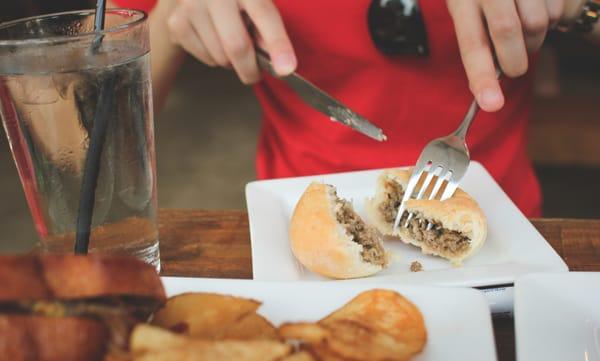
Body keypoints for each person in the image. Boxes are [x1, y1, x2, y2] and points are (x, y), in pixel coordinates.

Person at [109, 0, 598, 217]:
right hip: (302, 225)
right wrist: (172, 13)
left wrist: (580, 8)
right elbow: (93, 133)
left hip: (502, 225)